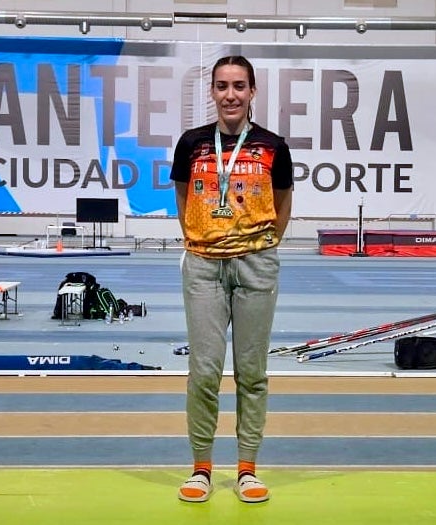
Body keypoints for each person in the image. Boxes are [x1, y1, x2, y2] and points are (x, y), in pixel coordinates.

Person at [170, 55, 293, 503]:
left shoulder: (273, 146)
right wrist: (201, 236)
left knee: (251, 372)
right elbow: (183, 195)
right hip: (204, 266)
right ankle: (201, 468)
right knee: (204, 371)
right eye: (222, 86)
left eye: (239, 86)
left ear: (252, 91)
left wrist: (263, 244)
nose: (230, 95)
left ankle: (247, 469)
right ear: (212, 92)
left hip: (256, 265)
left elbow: (283, 201)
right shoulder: (192, 143)